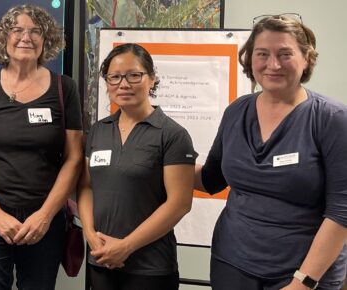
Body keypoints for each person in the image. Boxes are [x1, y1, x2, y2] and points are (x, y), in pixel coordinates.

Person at [196, 14, 347, 290]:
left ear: (306, 59)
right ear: (250, 60)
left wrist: (304, 281)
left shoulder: (332, 119)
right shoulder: (236, 111)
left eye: (285, 54)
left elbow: (342, 211)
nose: (273, 64)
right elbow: (211, 179)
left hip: (301, 273)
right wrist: (157, 158)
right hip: (232, 264)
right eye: (262, 54)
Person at [0, 4, 82, 289]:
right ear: (4, 38)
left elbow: (74, 159)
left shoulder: (65, 89)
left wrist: (45, 216)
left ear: (46, 39)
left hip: (44, 222)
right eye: (18, 30)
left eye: (36, 31)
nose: (27, 37)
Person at [77, 43, 195, 290]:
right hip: (102, 260)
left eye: (134, 75)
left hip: (150, 268)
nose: (124, 84)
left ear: (151, 79)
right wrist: (89, 234)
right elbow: (87, 186)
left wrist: (126, 246)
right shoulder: (99, 130)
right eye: (115, 77)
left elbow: (179, 203)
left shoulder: (172, 134)